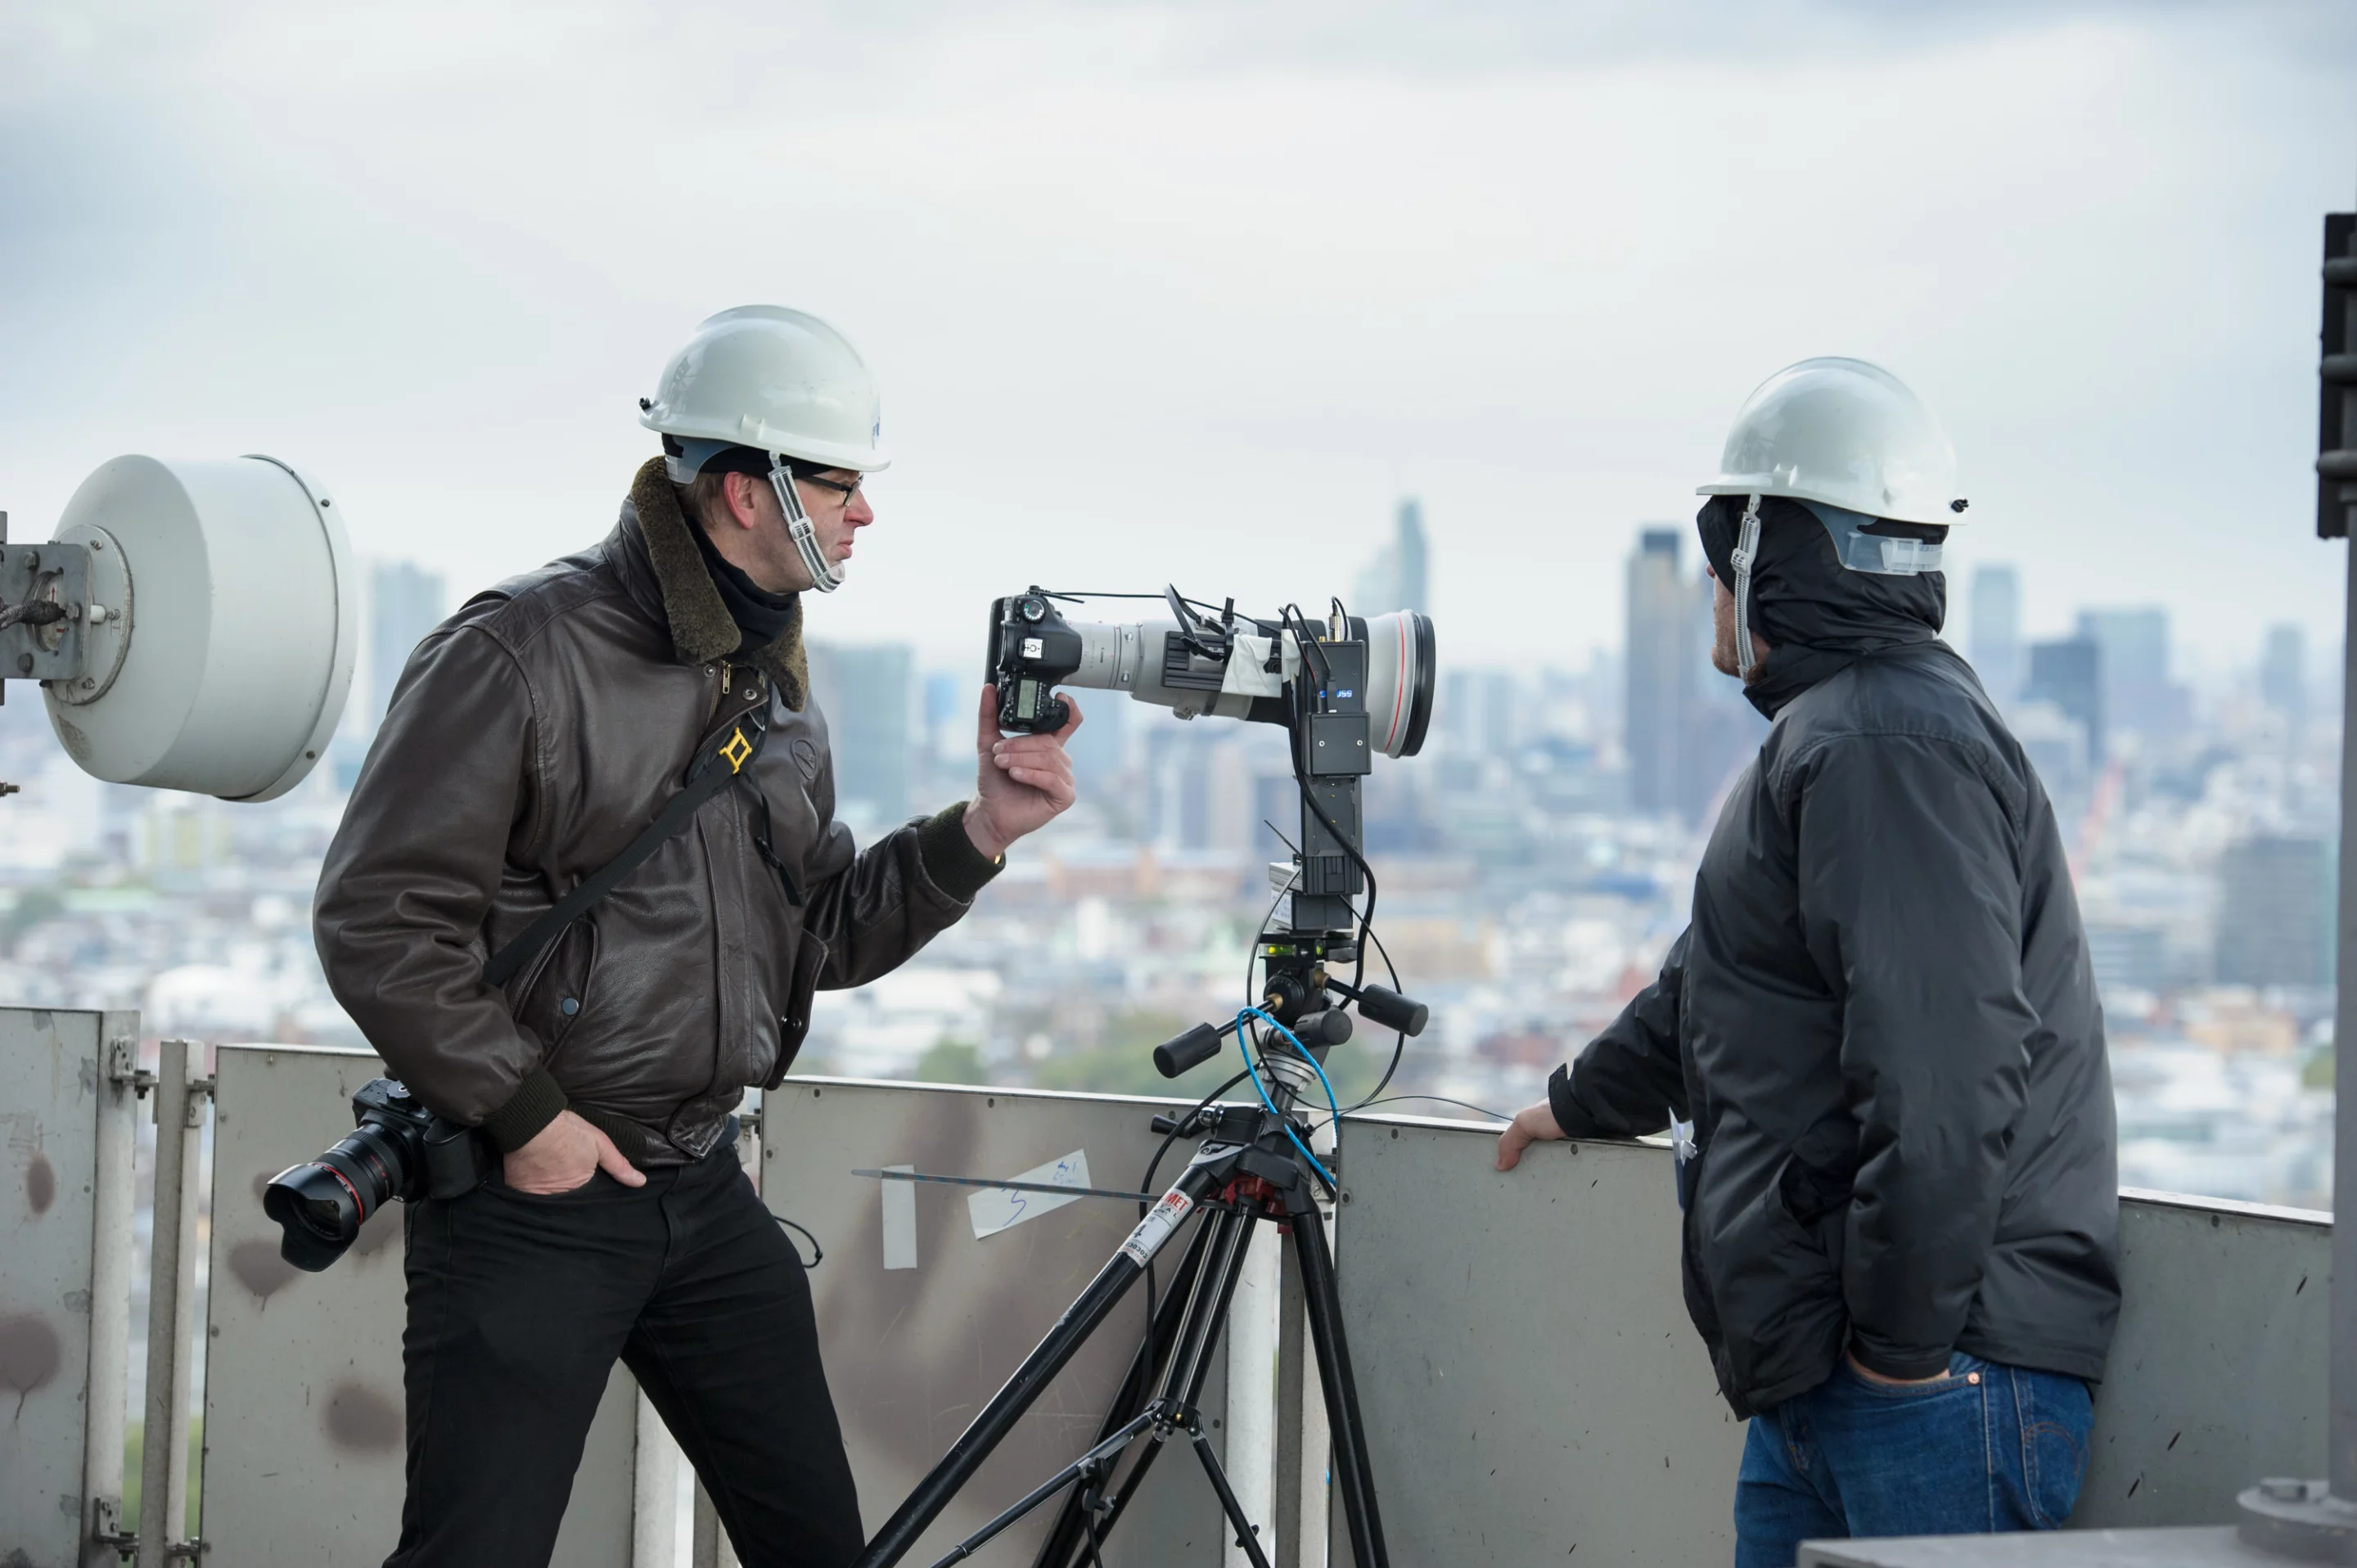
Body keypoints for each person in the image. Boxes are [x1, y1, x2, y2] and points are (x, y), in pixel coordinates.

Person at [314, 304, 1082, 1568]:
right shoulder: (519, 651)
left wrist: (982, 832)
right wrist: (531, 1122)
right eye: (841, 485)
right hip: (531, 1193)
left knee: (815, 1546)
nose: (864, 515)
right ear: (744, 490)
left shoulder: (775, 685)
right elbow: (378, 919)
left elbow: (816, 931)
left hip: (700, 1190)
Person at [1493, 358, 2119, 1566]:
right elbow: (1722, 987)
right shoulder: (1852, 735)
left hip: (1927, 1377)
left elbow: (1948, 1077)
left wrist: (1898, 1352)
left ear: (1777, 554)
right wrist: (1576, 1101)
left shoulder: (1883, 743)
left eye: (1724, 550)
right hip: (1851, 1373)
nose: (1712, 589)